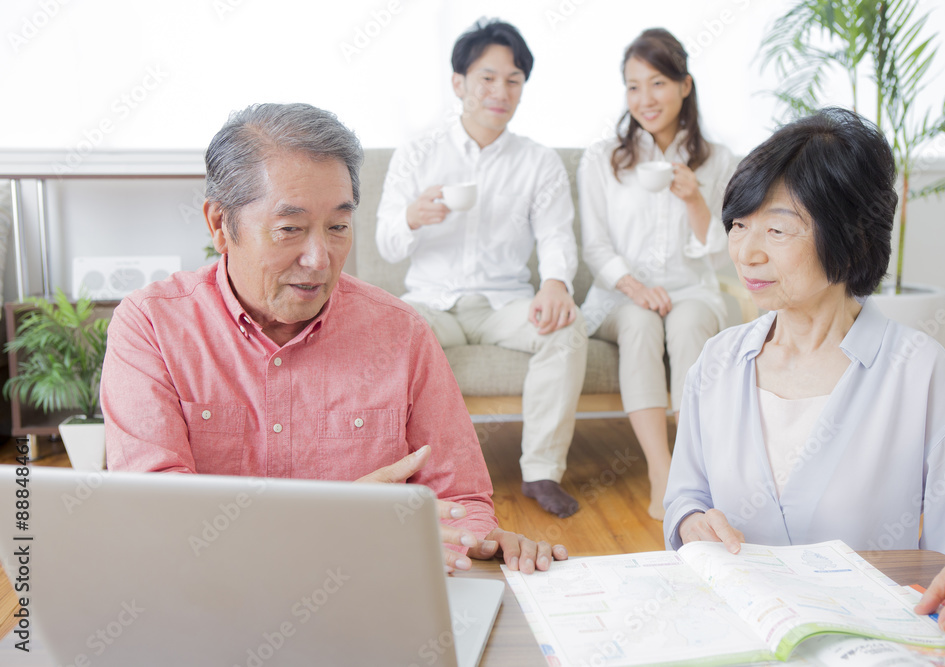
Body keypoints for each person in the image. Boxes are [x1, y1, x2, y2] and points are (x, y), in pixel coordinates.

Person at [101, 102, 567, 575]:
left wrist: (477, 540)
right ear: (221, 224)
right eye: (290, 229)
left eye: (338, 227)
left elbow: (460, 500)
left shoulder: (401, 333)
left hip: (370, 591)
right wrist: (335, 521)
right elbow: (157, 516)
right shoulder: (151, 326)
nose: (319, 259)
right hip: (212, 594)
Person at [662, 107, 945, 647]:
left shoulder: (922, 373)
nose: (746, 252)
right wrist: (690, 523)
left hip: (872, 643)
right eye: (739, 225)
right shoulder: (717, 362)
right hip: (737, 638)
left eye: (777, 229)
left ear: (849, 235)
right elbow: (685, 496)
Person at [375, 19, 587, 518]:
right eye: (487, 78)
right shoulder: (418, 153)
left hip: (503, 304)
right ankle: (398, 471)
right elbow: (386, 243)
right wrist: (412, 217)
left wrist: (556, 283)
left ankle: (541, 472)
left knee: (567, 329)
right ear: (459, 83)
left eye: (513, 80)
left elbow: (556, 235)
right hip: (432, 301)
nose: (501, 91)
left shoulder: (539, 161)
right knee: (387, 336)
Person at [578, 28, 734, 520]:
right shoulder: (603, 159)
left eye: (658, 83)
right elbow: (594, 245)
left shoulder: (719, 161)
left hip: (692, 290)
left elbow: (722, 256)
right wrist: (635, 288)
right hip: (619, 296)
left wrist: (695, 200)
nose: (645, 99)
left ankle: (692, 469)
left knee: (688, 324)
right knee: (640, 322)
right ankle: (660, 470)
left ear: (685, 85)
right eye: (633, 86)